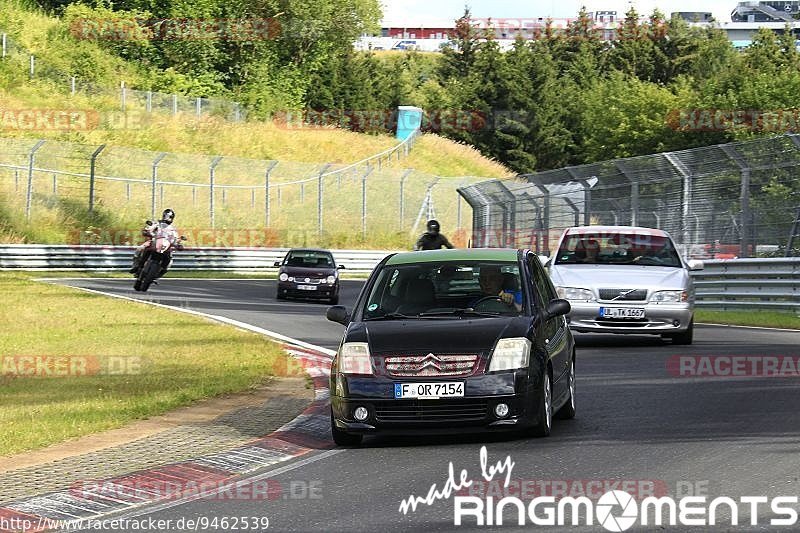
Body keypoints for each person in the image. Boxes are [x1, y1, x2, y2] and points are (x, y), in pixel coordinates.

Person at [129, 209, 182, 275]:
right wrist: (147, 231)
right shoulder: (157, 223)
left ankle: (159, 273)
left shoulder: (173, 229)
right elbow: (149, 228)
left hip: (165, 246)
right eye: (166, 216)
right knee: (140, 248)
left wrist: (178, 244)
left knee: (170, 260)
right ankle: (136, 266)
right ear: (163, 215)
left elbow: (176, 239)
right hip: (154, 242)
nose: (167, 219)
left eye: (170, 217)